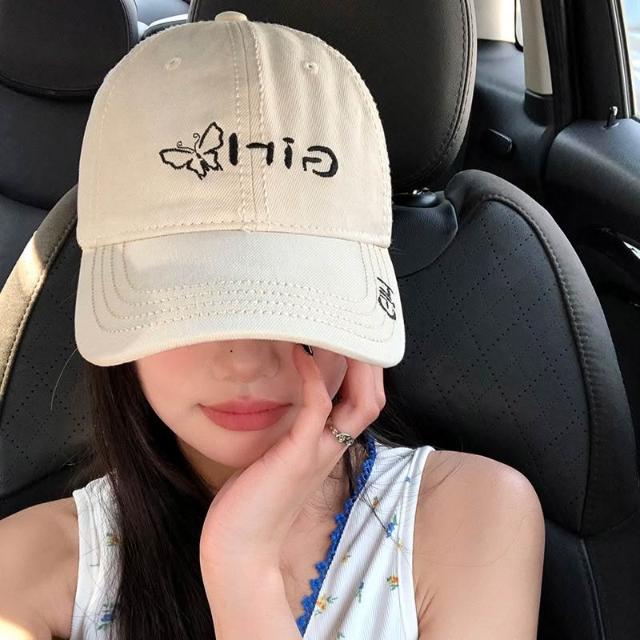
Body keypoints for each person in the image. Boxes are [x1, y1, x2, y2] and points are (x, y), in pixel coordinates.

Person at [0, 11, 545, 640]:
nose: (247, 360)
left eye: (296, 301)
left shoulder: (472, 519)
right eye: (190, 301)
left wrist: (242, 569)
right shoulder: (30, 569)